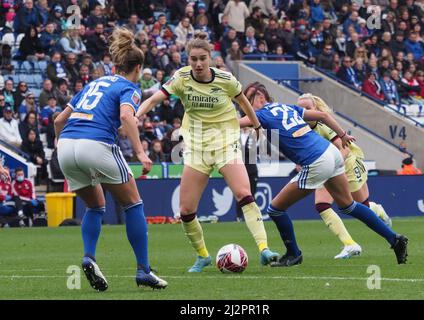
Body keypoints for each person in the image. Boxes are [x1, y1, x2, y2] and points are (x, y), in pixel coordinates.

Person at [136, 32, 279, 273]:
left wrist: (256, 127)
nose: (198, 64)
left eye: (202, 58)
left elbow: (244, 103)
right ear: (188, 59)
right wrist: (135, 116)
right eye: (193, 59)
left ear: (210, 58)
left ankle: (264, 248)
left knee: (244, 193)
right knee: (186, 210)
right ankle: (202, 256)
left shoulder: (226, 80)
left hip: (226, 145)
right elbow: (153, 100)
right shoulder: (181, 78)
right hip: (196, 149)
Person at [240, 82, 408, 266]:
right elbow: (322, 115)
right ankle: (395, 239)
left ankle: (293, 253)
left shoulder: (261, 114)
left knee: (275, 209)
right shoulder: (286, 108)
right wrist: (342, 134)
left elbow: (233, 123)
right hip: (332, 153)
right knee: (348, 206)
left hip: (316, 161)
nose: (244, 105)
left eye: (247, 100)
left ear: (261, 98)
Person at [54, 27, 168, 291]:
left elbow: (59, 119)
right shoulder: (129, 87)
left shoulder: (93, 83)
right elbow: (128, 116)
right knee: (133, 204)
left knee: (95, 206)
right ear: (137, 67)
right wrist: (140, 152)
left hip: (67, 146)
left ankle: (89, 257)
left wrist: (61, 142)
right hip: (96, 145)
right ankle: (143, 270)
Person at [296, 93, 393, 259]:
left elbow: (344, 149)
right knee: (321, 205)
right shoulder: (299, 129)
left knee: (362, 207)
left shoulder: (324, 126)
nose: (304, 111)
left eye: (308, 108)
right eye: (301, 109)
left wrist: (330, 165)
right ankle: (349, 244)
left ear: (316, 109)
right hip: (326, 168)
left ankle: (378, 210)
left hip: (347, 163)